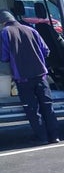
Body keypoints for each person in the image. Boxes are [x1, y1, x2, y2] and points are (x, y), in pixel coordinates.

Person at [0, 8, 60, 144]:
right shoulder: (31, 29)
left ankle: (42, 137)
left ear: (3, 22)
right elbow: (46, 51)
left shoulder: (5, 33)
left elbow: (3, 57)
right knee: (47, 106)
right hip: (41, 75)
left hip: (23, 78)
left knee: (33, 109)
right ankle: (55, 136)